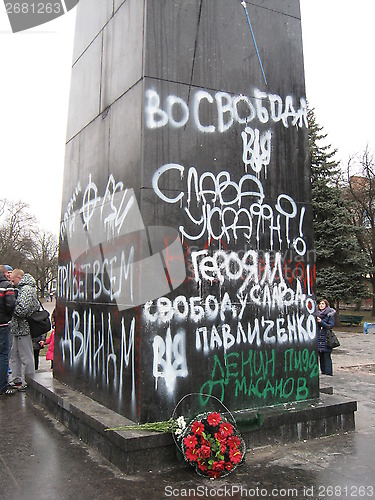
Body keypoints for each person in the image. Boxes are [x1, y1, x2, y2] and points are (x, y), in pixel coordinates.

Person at [9, 269, 39, 390]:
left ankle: (29, 381)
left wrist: (10, 306)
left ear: (20, 278)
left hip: (23, 328)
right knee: (15, 354)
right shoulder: (24, 289)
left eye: (13, 280)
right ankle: (17, 379)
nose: (12, 283)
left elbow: (23, 310)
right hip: (18, 328)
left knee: (26, 356)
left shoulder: (26, 289)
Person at [0, 265, 16, 396]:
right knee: (3, 355)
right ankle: (2, 386)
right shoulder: (7, 286)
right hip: (2, 325)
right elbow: (11, 304)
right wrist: (8, 317)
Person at [317, 299, 336, 376]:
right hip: (318, 338)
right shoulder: (316, 314)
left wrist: (321, 322)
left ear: (326, 305)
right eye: (320, 304)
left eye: (323, 304)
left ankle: (328, 372)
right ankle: (323, 371)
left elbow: (330, 326)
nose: (321, 305)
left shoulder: (330, 315)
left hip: (326, 338)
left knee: (326, 356)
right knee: (321, 357)